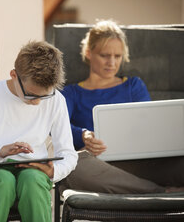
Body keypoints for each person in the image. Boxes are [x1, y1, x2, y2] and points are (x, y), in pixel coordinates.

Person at [60, 19, 184, 194]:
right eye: (105, 55)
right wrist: (83, 135)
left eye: (117, 56)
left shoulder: (134, 86)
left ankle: (148, 189)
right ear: (89, 53)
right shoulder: (71, 93)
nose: (112, 63)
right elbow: (57, 125)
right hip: (97, 165)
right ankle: (159, 192)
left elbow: (148, 126)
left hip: (139, 162)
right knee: (74, 166)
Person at [0, 41, 78, 222]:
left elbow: (68, 154)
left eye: (45, 96)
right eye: (32, 95)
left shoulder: (57, 100)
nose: (37, 102)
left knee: (33, 180)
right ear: (13, 75)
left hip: (33, 170)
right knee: (2, 181)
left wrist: (53, 171)